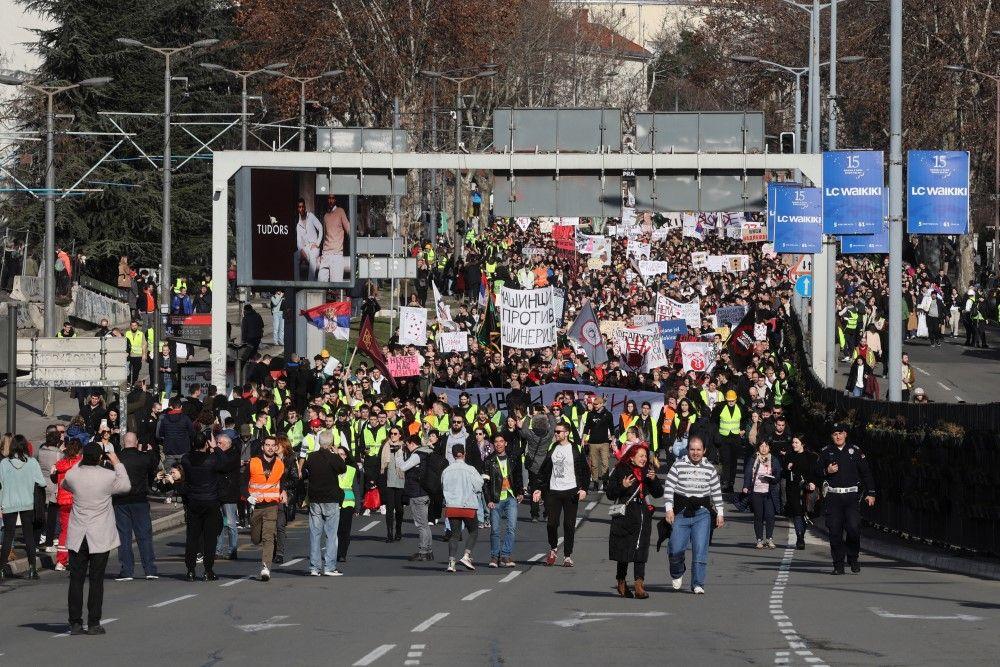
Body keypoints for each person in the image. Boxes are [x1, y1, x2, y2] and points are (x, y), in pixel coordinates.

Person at [62, 442, 131, 635]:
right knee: (96, 580)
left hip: (78, 534)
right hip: (99, 534)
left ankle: (75, 622)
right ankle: (93, 622)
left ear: (83, 456)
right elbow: (126, 485)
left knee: (76, 579)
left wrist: (79, 462)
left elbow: (65, 483)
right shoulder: (108, 476)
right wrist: (116, 461)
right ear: (101, 457)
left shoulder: (74, 475)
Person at [664, 436, 725, 594]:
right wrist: (669, 509)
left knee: (700, 549)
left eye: (699, 449)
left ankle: (698, 583)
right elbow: (669, 487)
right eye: (692, 449)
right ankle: (677, 571)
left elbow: (716, 492)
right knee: (675, 548)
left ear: (704, 451)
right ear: (687, 450)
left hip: (702, 513)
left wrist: (720, 513)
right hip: (682, 512)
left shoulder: (710, 469)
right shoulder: (678, 465)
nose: (695, 453)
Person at [605, 442, 663, 599]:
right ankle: (621, 581)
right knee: (624, 549)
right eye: (641, 456)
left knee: (641, 549)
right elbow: (610, 493)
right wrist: (622, 486)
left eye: (645, 456)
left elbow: (658, 493)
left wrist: (654, 480)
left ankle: (639, 585)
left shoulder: (647, 471)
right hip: (625, 514)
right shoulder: (620, 469)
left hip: (642, 513)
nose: (644, 459)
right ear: (632, 457)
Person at [819, 423, 876, 575]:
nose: (838, 436)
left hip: (851, 497)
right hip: (834, 497)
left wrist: (871, 493)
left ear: (845, 434)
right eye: (835, 434)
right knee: (835, 531)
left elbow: (866, 473)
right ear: (832, 436)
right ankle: (838, 565)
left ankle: (853, 557)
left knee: (853, 528)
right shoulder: (826, 452)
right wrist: (827, 470)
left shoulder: (855, 451)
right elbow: (816, 471)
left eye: (840, 433)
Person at [531, 421, 589, 567]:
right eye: (555, 431)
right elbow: (544, 470)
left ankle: (567, 556)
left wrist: (584, 488)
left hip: (571, 491)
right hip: (553, 491)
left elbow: (585, 470)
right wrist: (538, 488)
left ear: (566, 433)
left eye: (558, 431)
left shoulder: (575, 448)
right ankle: (553, 548)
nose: (556, 434)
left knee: (569, 525)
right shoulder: (552, 448)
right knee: (551, 524)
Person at [179, 431, 233, 581]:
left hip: (193, 501)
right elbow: (226, 464)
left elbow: (188, 458)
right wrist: (216, 448)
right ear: (206, 444)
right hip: (210, 501)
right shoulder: (212, 460)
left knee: (192, 537)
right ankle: (208, 570)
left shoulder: (186, 459)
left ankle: (190, 570)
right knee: (210, 538)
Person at [112, 432, 159, 581]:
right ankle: (150, 569)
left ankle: (127, 570)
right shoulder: (143, 457)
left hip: (121, 500)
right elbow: (153, 466)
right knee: (144, 535)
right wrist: (150, 451)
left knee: (124, 536)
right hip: (140, 500)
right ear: (136, 441)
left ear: (123, 442)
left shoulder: (117, 458)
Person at [0, 434, 47, 580]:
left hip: (8, 503)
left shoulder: (4, 463)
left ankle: (1, 569)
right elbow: (42, 482)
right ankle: (32, 569)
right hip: (27, 503)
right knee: (29, 536)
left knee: (8, 536)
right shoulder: (32, 463)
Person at [303, 429, 348, 576]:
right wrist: (336, 453)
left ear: (319, 441)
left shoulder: (311, 457)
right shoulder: (333, 457)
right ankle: (329, 567)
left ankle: (314, 567)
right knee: (331, 534)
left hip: (315, 498)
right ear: (331, 443)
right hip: (330, 498)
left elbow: (305, 471)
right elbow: (343, 468)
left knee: (315, 534)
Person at [248, 435, 287, 582]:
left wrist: (283, 491)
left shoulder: (280, 463)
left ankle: (266, 568)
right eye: (267, 445)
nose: (270, 448)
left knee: (268, 537)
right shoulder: (253, 462)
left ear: (276, 447)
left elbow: (282, 481)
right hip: (257, 506)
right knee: (255, 538)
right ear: (263, 447)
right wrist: (247, 496)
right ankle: (256, 537)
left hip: (272, 505)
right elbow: (242, 482)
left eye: (273, 445)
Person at [440, 444, 483, 572]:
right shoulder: (470, 469)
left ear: (453, 455)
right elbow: (479, 485)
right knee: (473, 531)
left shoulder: (447, 470)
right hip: (468, 505)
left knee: (454, 534)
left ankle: (451, 562)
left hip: (452, 506)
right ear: (464, 454)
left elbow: (442, 486)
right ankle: (466, 555)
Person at [483, 434, 523, 568]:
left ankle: (505, 555)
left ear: (505, 443)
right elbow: (485, 483)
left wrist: (520, 492)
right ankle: (495, 556)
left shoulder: (512, 458)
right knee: (495, 530)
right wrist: (488, 500)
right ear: (493, 444)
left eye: (501, 441)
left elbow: (518, 476)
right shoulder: (489, 460)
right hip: (496, 499)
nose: (499, 444)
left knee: (511, 527)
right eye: (496, 442)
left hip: (511, 497)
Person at [397, 435, 434, 562]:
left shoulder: (417, 455)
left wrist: (399, 454)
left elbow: (403, 467)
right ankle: (428, 551)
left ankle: (423, 552)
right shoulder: (427, 452)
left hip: (417, 493)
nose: (406, 447)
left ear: (412, 443)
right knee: (425, 524)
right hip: (425, 492)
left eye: (406, 445)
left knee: (421, 525)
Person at [742, 440, 781, 549]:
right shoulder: (753, 458)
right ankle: (759, 540)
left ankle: (769, 539)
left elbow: (778, 475)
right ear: (758, 447)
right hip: (756, 491)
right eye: (761, 446)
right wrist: (746, 486)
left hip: (769, 492)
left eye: (766, 446)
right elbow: (748, 473)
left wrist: (772, 478)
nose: (764, 448)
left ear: (769, 448)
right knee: (758, 516)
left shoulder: (774, 459)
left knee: (770, 516)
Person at [52, 439, 84, 571]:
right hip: (77, 500)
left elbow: (55, 479)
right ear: (79, 450)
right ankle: (75, 559)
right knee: (79, 531)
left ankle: (61, 561)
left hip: (63, 500)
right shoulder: (81, 463)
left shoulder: (60, 464)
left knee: (64, 531)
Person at [783, 435, 818, 550]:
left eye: (796, 442)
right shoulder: (789, 455)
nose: (794, 445)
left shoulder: (811, 456)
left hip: (806, 489)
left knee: (804, 513)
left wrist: (812, 482)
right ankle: (799, 538)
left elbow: (814, 472)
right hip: (793, 488)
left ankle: (801, 534)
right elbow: (784, 473)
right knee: (797, 512)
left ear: (802, 444)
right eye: (793, 442)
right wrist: (787, 468)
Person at [214, 433, 242, 561]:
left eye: (220, 443)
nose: (218, 445)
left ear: (227, 444)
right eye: (217, 443)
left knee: (230, 523)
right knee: (218, 524)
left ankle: (232, 550)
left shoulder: (234, 454)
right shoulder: (217, 454)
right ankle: (218, 550)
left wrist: (217, 450)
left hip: (229, 493)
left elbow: (223, 466)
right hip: (217, 493)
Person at [379, 427, 406, 543]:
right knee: (389, 508)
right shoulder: (385, 446)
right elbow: (380, 463)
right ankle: (389, 534)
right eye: (391, 433)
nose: (393, 435)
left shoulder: (404, 447)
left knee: (399, 508)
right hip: (388, 481)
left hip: (401, 480)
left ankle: (398, 530)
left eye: (395, 433)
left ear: (400, 435)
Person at [581, 396, 614, 491]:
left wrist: (613, 441)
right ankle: (595, 482)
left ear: (601, 404)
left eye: (596, 404)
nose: (594, 406)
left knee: (605, 463)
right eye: (594, 404)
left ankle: (605, 482)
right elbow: (586, 427)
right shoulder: (590, 414)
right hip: (592, 443)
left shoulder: (608, 414)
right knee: (594, 464)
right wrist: (583, 440)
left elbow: (611, 428)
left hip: (604, 443)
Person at [318, 194, 351, 282]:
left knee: (336, 286)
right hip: (325, 255)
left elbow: (349, 229)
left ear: (335, 200)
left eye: (333, 198)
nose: (331, 200)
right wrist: (321, 253)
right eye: (329, 198)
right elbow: (325, 237)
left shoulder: (340, 211)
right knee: (320, 284)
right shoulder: (325, 216)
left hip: (336, 255)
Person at [336, 445, 358, 563]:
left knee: (345, 530)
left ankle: (342, 554)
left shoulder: (351, 470)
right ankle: (335, 552)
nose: (340, 456)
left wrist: (358, 506)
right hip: (335, 502)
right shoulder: (332, 468)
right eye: (338, 454)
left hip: (348, 503)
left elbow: (356, 488)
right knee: (335, 530)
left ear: (346, 456)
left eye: (342, 454)